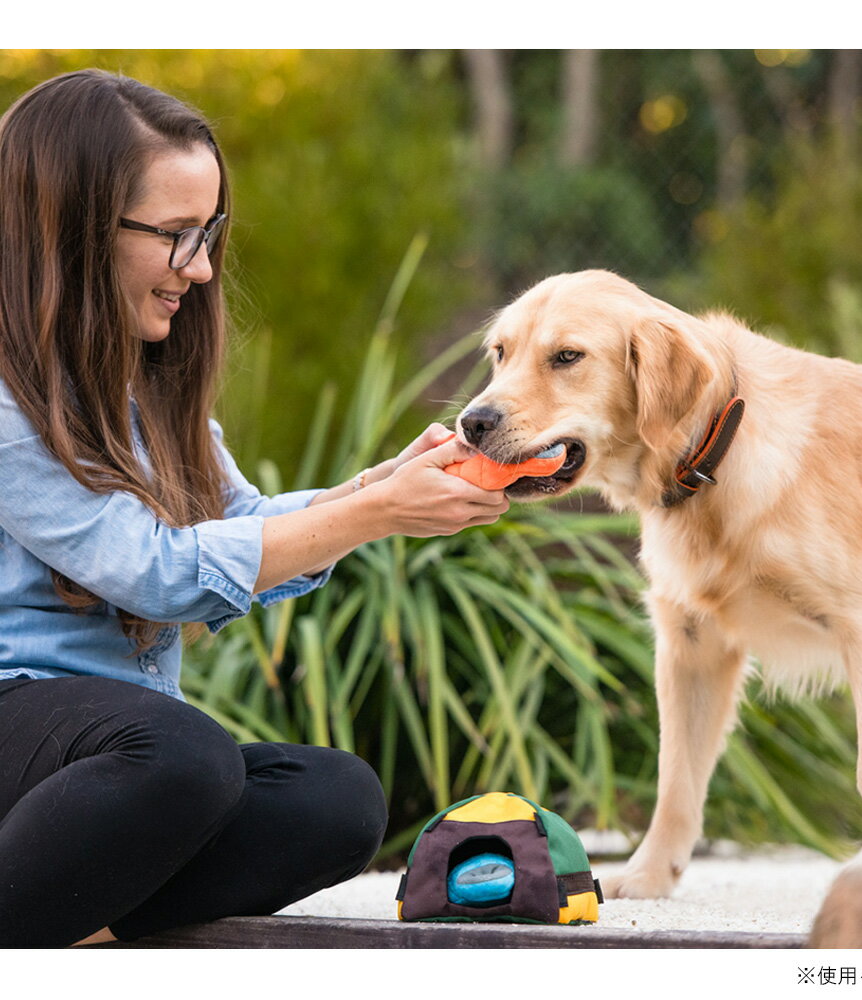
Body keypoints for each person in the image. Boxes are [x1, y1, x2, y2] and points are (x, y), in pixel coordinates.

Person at [0, 69, 508, 948]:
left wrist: (381, 485)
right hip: (30, 725)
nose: (199, 270)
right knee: (185, 756)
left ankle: (74, 909)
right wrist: (377, 513)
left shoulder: (143, 390)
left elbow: (246, 520)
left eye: (210, 234)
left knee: (336, 798)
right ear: (70, 230)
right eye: (175, 236)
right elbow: (153, 571)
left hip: (120, 758)